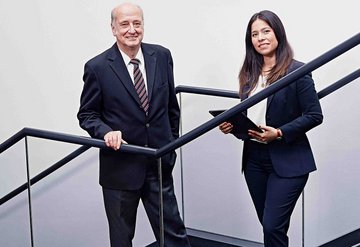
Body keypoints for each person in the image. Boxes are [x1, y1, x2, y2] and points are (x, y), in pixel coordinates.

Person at [77, 3, 191, 247]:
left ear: (143, 25)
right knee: (121, 240)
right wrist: (106, 132)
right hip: (120, 169)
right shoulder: (97, 67)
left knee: (174, 236)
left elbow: (171, 106)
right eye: (124, 24)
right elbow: (87, 114)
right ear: (113, 28)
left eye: (136, 23)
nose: (131, 29)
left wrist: (169, 147)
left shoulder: (161, 56)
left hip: (158, 164)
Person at [219, 10, 323, 247]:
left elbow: (314, 115)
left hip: (288, 159)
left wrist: (279, 132)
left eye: (266, 31)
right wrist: (233, 126)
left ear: (278, 33)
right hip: (254, 160)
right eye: (255, 34)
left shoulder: (297, 70)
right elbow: (250, 120)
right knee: (272, 226)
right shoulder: (249, 74)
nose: (260, 38)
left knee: (272, 226)